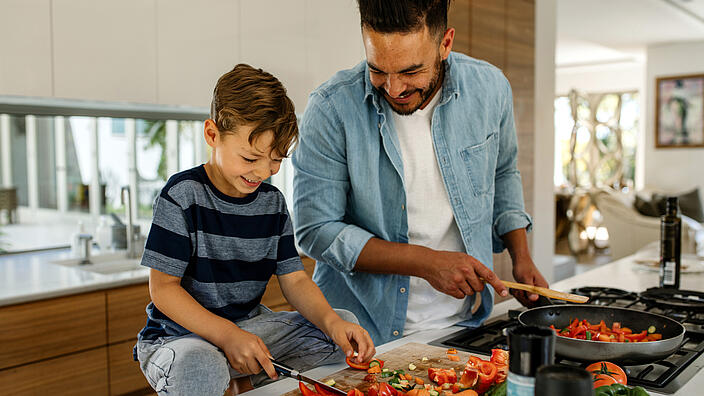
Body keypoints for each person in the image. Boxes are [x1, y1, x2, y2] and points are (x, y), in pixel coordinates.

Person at [292, 0, 548, 346]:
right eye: (378, 69)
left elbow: (502, 172)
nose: (394, 88)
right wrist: (426, 262)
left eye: (411, 72)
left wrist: (522, 257)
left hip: (463, 326)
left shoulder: (490, 90)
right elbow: (314, 231)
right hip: (357, 333)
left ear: (445, 44)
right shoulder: (331, 108)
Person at [134, 64, 375, 396]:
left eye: (276, 160)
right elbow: (163, 290)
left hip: (247, 329)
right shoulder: (182, 195)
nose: (264, 171)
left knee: (340, 327)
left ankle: (239, 380)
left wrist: (333, 323)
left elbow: (295, 280)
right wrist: (226, 336)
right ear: (212, 135)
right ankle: (231, 378)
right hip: (180, 338)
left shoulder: (272, 203)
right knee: (202, 365)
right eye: (250, 158)